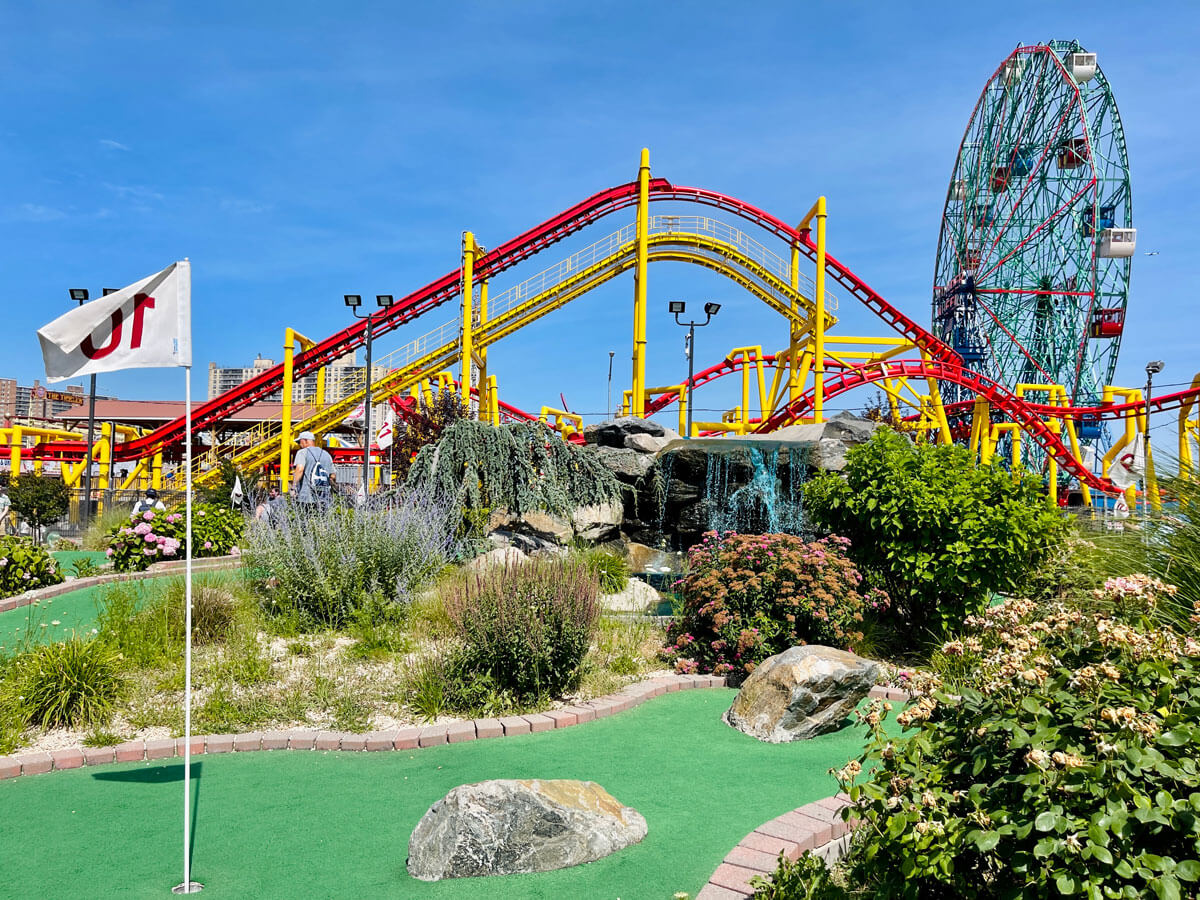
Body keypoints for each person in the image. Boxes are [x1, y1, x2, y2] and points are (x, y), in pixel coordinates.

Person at [291, 431, 336, 509]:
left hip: (306, 496)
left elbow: (300, 469)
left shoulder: (302, 452)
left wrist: (293, 487)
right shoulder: (326, 454)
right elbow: (333, 475)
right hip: (324, 496)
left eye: (299, 442)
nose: (299, 445)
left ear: (305, 441)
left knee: (305, 518)